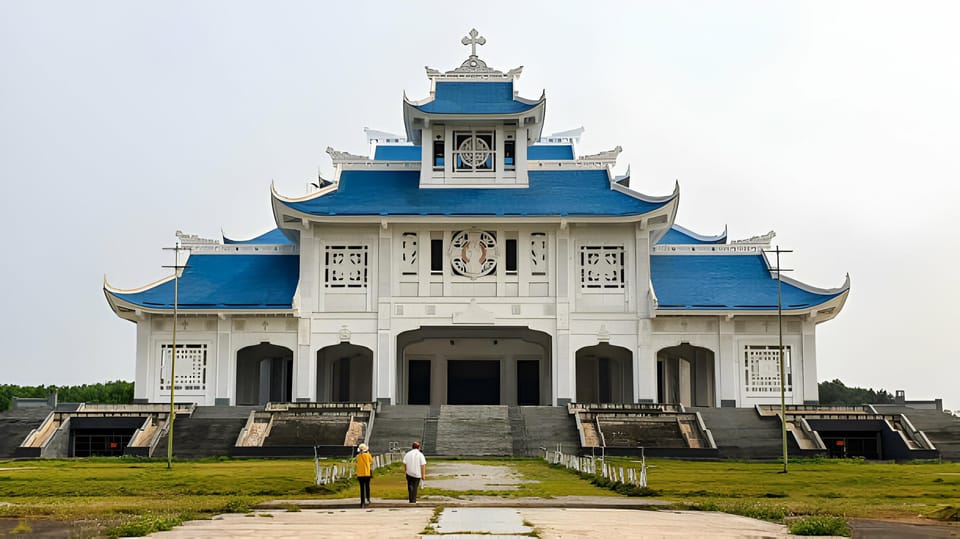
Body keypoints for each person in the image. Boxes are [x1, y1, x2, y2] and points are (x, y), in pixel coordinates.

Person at [355, 443, 373, 508]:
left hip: (360, 474)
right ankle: (368, 498)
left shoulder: (357, 456)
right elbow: (371, 462)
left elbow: (356, 462)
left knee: (362, 488)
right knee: (367, 487)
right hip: (367, 473)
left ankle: (362, 502)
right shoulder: (368, 455)